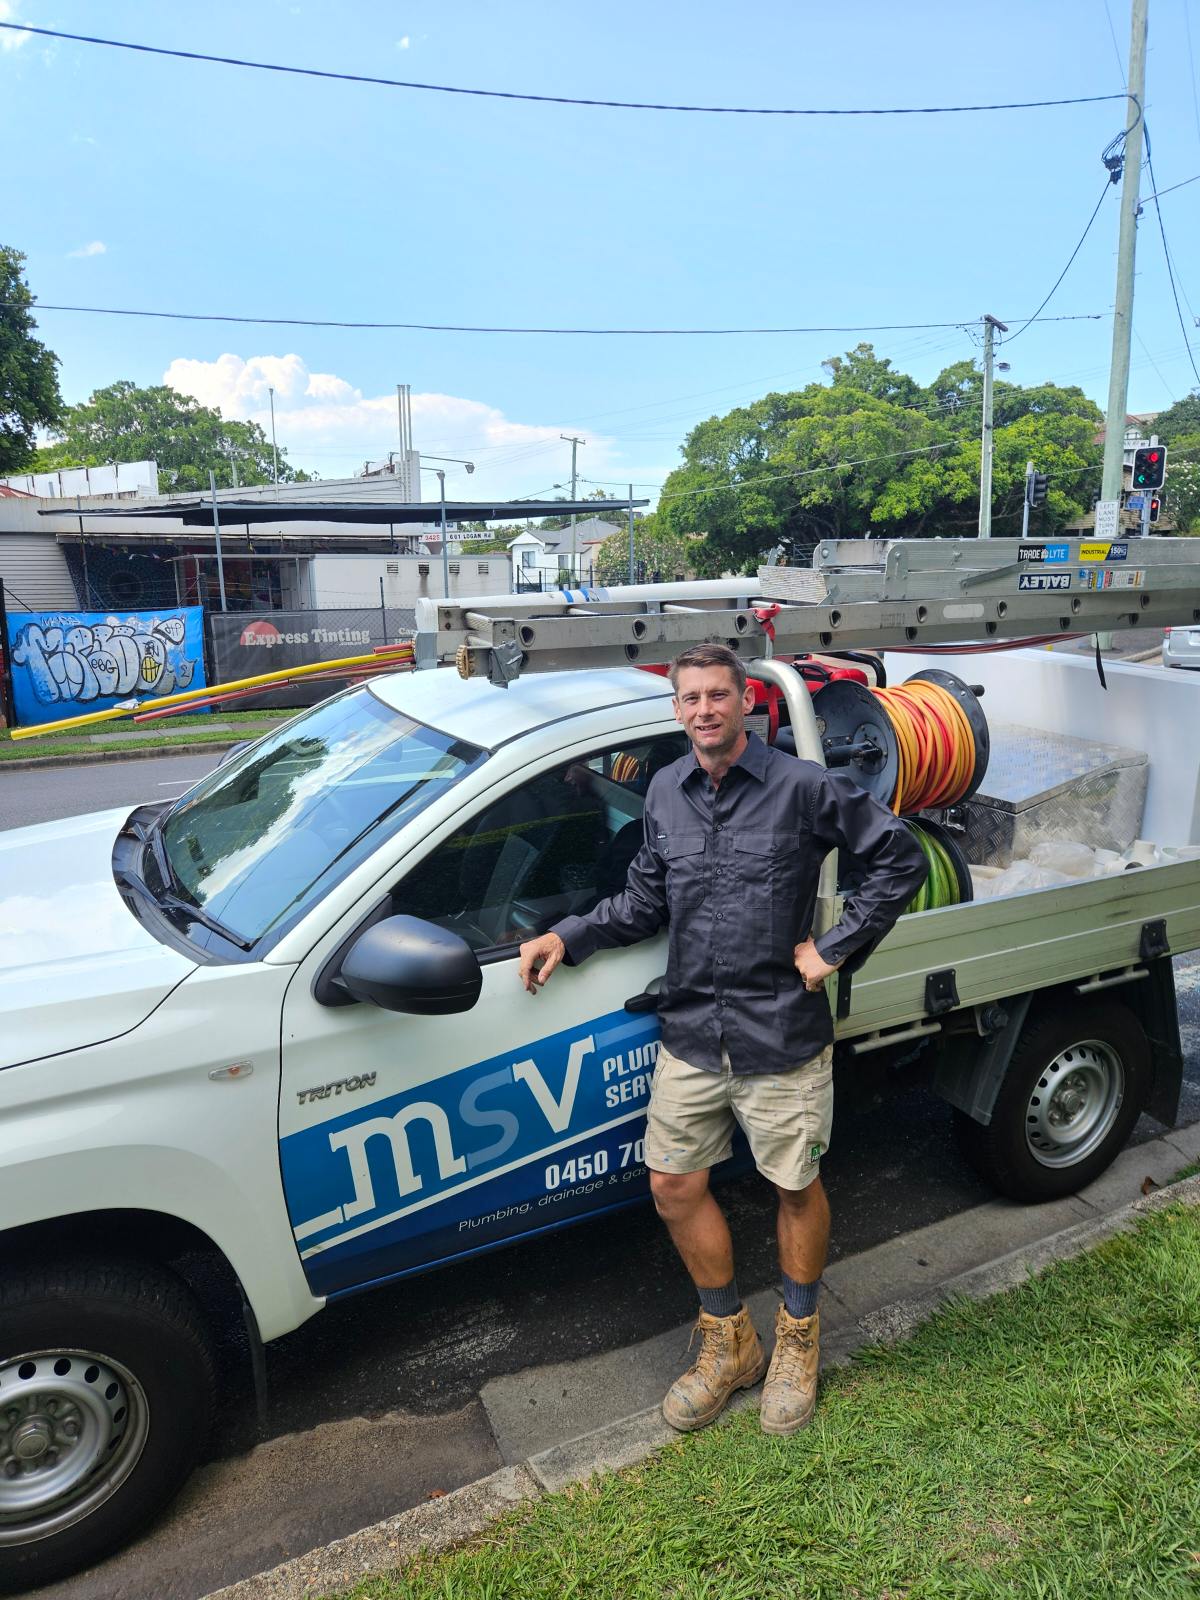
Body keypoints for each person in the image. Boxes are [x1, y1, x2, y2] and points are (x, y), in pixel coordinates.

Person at [517, 643, 927, 1437]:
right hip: (693, 1030)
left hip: (781, 1033)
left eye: (717, 695)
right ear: (676, 710)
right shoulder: (667, 791)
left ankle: (799, 1338)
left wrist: (834, 947)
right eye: (690, 698)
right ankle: (729, 1340)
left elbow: (897, 858)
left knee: (794, 1189)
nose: (704, 709)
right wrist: (568, 936)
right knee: (672, 1185)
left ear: (746, 704)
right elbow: (642, 901)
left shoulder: (802, 787)